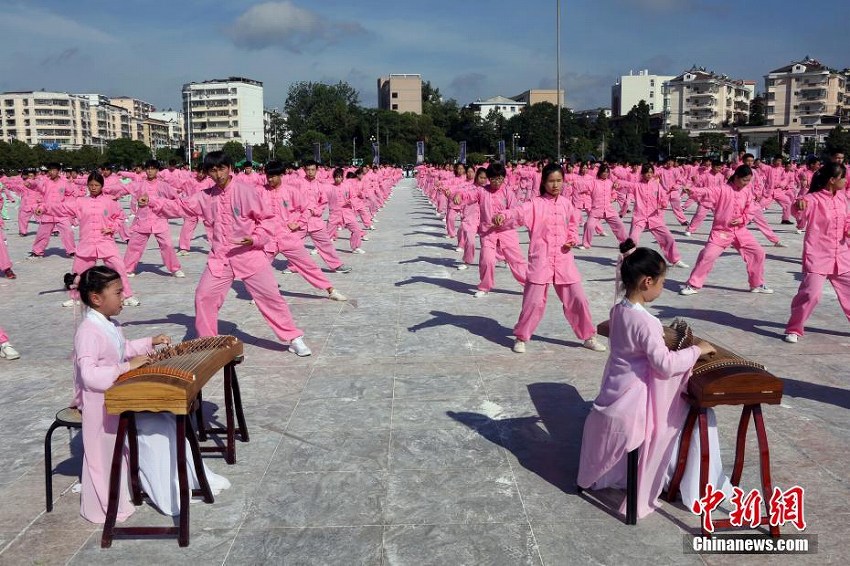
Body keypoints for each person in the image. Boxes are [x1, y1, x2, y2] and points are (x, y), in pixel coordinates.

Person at [577, 239, 731, 519]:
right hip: (634, 400)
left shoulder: (619, 310)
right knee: (693, 414)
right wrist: (698, 349)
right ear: (647, 282)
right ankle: (685, 479)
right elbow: (664, 364)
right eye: (661, 282)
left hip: (614, 389)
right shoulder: (646, 322)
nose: (662, 288)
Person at [66, 266, 229, 523]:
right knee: (152, 433)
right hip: (102, 406)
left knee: (165, 422)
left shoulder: (107, 323)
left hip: (119, 396)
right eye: (118, 293)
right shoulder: (88, 331)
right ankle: (165, 492)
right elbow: (89, 374)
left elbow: (120, 348)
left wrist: (148, 342)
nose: (124, 297)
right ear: (96, 298)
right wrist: (126, 367)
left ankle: (180, 482)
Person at [140, 151, 312, 356]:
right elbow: (180, 206)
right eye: (213, 170)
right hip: (220, 258)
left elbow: (267, 220)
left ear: (230, 168)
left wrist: (256, 239)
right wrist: (151, 201)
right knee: (204, 296)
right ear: (207, 173)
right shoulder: (205, 196)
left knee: (270, 297)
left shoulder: (246, 192)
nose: (218, 174)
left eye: (222, 168)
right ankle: (209, 342)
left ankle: (293, 337)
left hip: (249, 255)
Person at [493, 163, 607, 353]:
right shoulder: (535, 204)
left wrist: (572, 238)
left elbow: (573, 222)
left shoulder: (566, 203)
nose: (555, 185)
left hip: (563, 259)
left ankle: (588, 336)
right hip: (541, 259)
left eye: (559, 181)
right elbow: (518, 213)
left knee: (578, 299)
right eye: (551, 181)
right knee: (534, 302)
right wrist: (503, 216)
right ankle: (521, 336)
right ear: (544, 182)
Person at [36, 172, 140, 307]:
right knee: (79, 272)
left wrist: (112, 227)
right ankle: (76, 297)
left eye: (96, 185)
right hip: (87, 243)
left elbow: (120, 217)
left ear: (102, 186)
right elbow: (61, 208)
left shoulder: (110, 201)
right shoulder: (80, 202)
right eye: (91, 185)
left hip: (105, 241)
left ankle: (127, 295)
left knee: (118, 269)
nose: (93, 188)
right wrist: (44, 208)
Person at [680, 165, 774, 295]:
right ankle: (693, 285)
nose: (746, 183)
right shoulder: (722, 190)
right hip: (721, 231)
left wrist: (742, 219)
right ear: (736, 177)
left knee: (758, 253)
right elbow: (708, 191)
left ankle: (756, 284)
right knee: (708, 255)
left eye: (748, 181)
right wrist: (693, 191)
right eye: (744, 180)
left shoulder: (746, 191)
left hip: (740, 231)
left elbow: (750, 208)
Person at [784, 163, 850, 343]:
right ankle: (794, 328)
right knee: (811, 293)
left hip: (842, 255)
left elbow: (847, 220)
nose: (846, 181)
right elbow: (798, 213)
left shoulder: (842, 198)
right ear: (832, 180)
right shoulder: (813, 199)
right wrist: (798, 206)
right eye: (843, 178)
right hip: (818, 255)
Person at [455, 162, 527, 297]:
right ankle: (484, 286)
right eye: (493, 178)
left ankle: (527, 284)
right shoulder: (482, 191)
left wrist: (504, 216)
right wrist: (459, 194)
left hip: (507, 231)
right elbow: (468, 194)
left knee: (516, 260)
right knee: (486, 260)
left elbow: (516, 209)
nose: (497, 181)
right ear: (489, 178)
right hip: (488, 232)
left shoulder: (507, 192)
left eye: (500, 178)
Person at [616, 164, 688, 268]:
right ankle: (626, 259)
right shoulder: (637, 185)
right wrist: (616, 183)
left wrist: (663, 202)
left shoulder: (656, 185)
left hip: (654, 217)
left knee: (668, 238)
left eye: (651, 172)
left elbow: (663, 197)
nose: (649, 174)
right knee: (632, 240)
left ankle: (675, 260)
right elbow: (625, 184)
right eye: (646, 172)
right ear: (642, 174)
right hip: (639, 217)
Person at [123, 160, 185, 278]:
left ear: (157, 170)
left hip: (159, 219)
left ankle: (174, 268)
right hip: (143, 219)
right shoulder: (139, 184)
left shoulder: (163, 185)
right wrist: (106, 191)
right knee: (135, 245)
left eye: (153, 168)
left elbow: (176, 197)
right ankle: (128, 268)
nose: (150, 171)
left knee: (167, 245)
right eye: (148, 168)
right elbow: (123, 189)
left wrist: (169, 207)